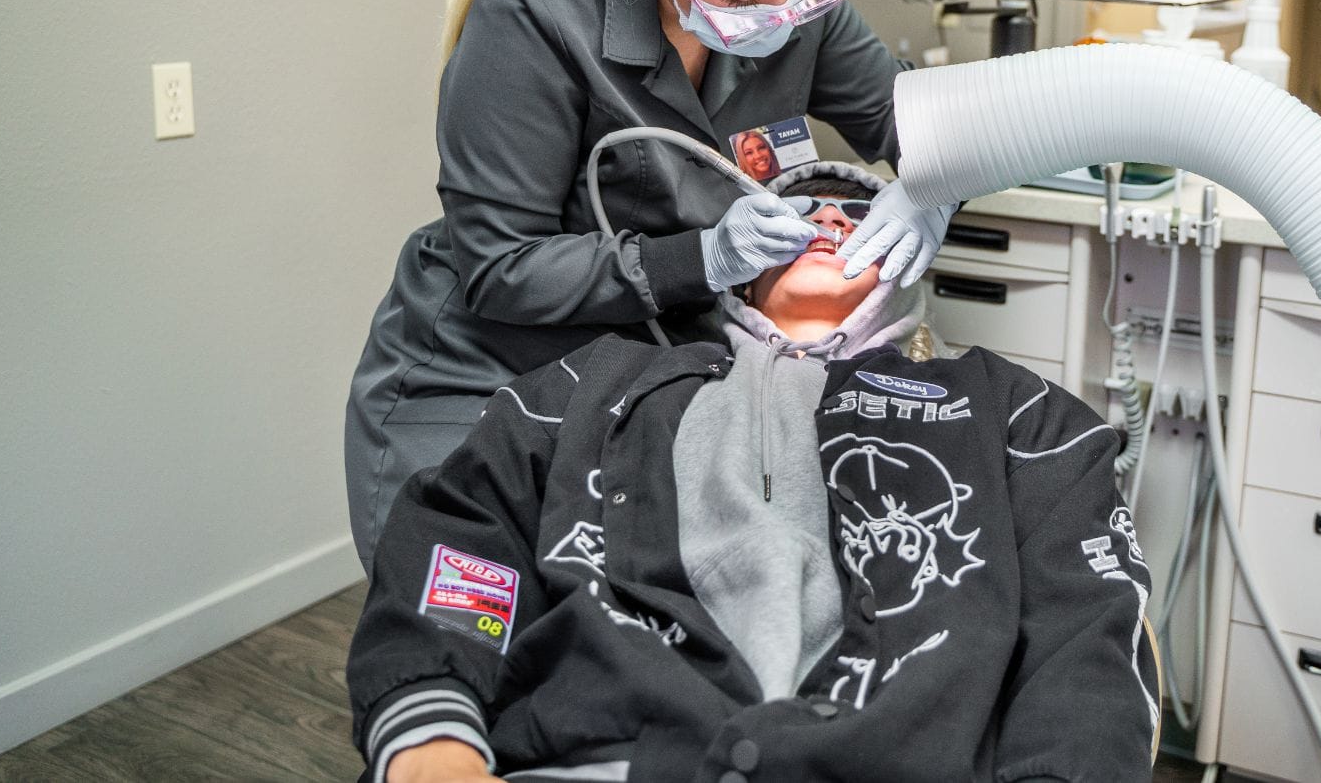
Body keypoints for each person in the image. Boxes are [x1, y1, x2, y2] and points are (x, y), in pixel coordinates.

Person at [344, 0, 957, 570]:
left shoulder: (795, 4)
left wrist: (941, 180)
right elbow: (501, 267)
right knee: (467, 647)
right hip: (484, 382)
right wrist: (701, 257)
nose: (783, 17)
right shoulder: (534, 18)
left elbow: (926, 128)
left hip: (648, 382)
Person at [348, 163, 1159, 783]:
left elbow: (1085, 633)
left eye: (861, 213)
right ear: (741, 257)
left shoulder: (1015, 414)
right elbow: (463, 538)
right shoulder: (599, 384)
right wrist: (435, 734)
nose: (833, 218)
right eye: (802, 211)